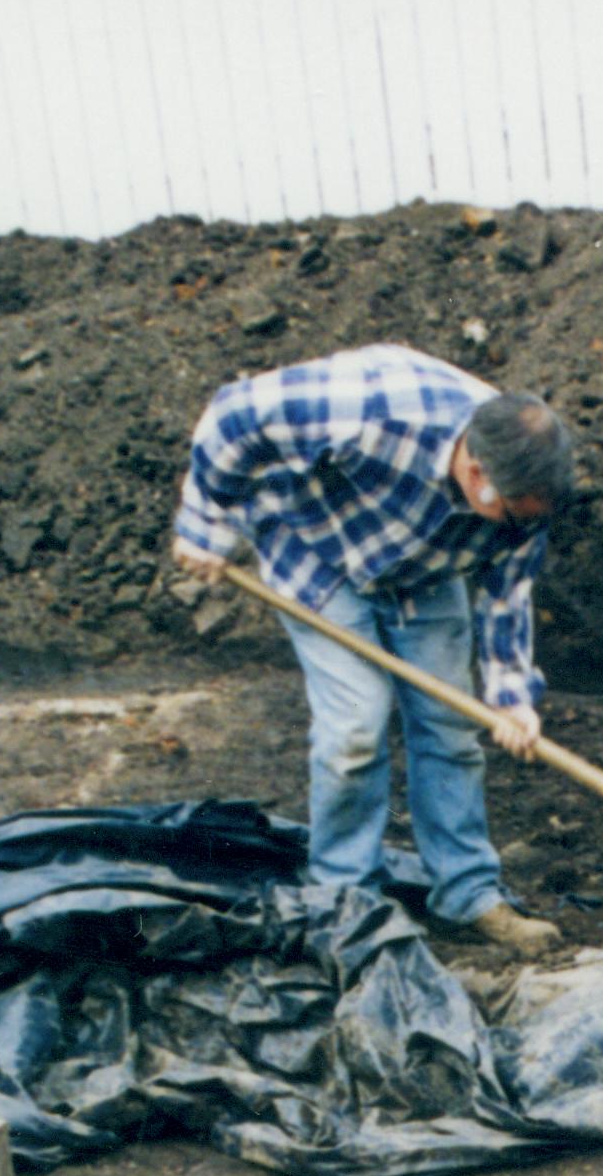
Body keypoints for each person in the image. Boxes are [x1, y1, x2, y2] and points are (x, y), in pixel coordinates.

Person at [172, 348, 576, 956]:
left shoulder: (526, 502)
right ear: (475, 472)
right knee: (356, 728)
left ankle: (467, 894)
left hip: (424, 569)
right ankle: (344, 899)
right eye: (507, 514)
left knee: (453, 725)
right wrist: (207, 525)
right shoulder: (373, 408)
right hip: (317, 549)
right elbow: (233, 414)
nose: (515, 527)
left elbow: (507, 594)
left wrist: (513, 699)